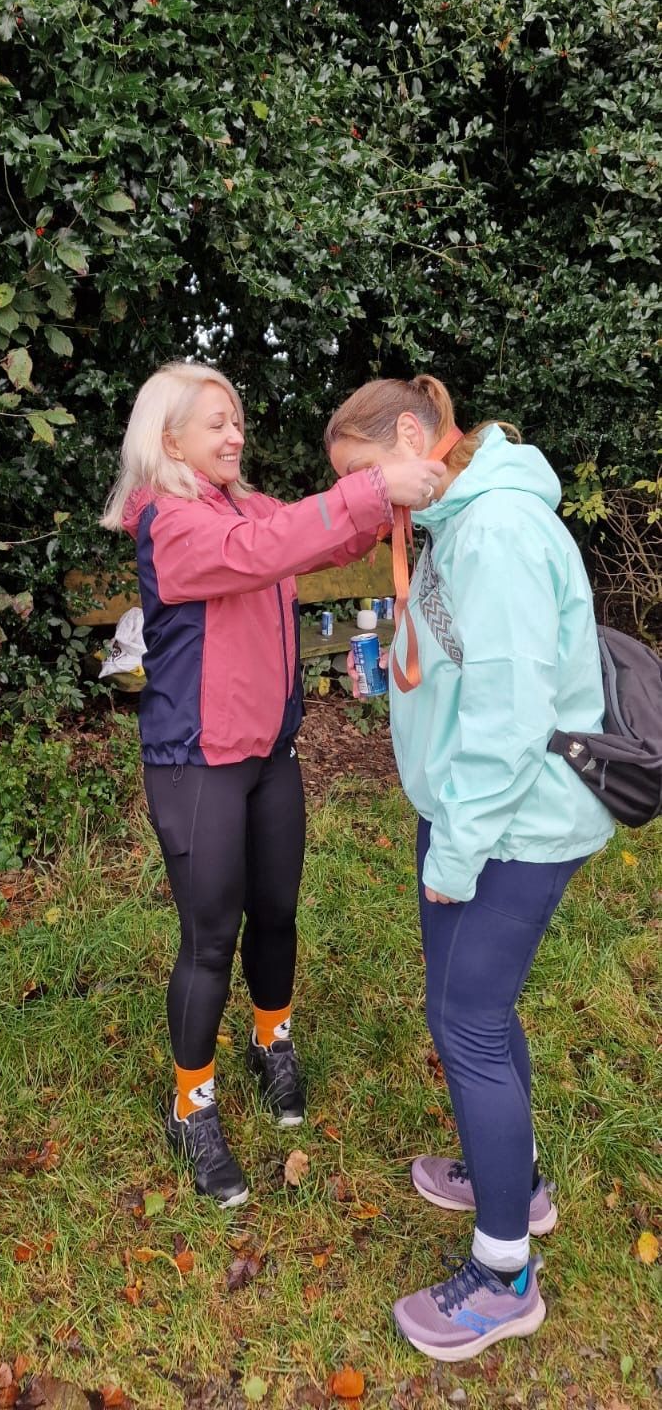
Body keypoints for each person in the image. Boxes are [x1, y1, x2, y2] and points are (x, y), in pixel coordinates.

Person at [102, 362, 445, 1207]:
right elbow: (256, 554)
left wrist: (389, 496)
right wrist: (371, 488)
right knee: (210, 937)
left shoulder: (244, 507)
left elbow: (310, 536)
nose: (234, 433)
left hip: (271, 755)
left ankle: (271, 1041)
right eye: (214, 423)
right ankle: (191, 1103)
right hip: (198, 762)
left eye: (237, 419)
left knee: (279, 914)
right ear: (167, 437)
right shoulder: (172, 525)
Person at [326, 374, 614, 1362]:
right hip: (476, 811)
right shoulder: (461, 520)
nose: (372, 503)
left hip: (512, 822)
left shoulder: (495, 532)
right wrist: (391, 666)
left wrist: (455, 849)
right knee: (469, 1013)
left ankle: (503, 1276)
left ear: (415, 434)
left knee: (470, 1021)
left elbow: (510, 713)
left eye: (370, 478)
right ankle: (517, 1183)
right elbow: (463, 654)